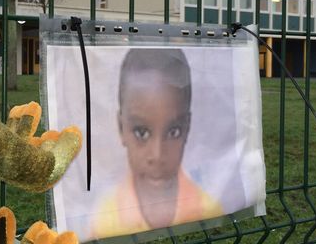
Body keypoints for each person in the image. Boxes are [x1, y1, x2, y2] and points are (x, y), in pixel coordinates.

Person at [91, 48, 223, 239]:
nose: (157, 155)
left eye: (173, 131)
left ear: (187, 127)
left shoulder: (209, 207)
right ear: (121, 128)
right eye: (141, 132)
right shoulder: (103, 219)